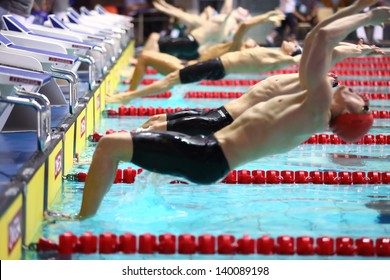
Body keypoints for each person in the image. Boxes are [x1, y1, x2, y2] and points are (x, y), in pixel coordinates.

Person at [47, 0, 388, 220]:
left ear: (349, 115)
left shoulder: (316, 107)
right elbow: (316, 38)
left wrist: (368, 15)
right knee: (125, 142)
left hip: (209, 156)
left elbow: (323, 38)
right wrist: (358, 7)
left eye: (363, 101)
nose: (357, 92)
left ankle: (81, 219)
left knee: (109, 146)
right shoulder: (313, 104)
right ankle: (117, 204)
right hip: (210, 152)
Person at [139, 41, 382, 136]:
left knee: (152, 131)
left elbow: (328, 49)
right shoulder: (317, 83)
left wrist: (358, 50)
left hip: (223, 120)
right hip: (220, 113)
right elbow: (327, 49)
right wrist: (361, 48)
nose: (359, 94)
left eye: (362, 103)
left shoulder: (319, 89)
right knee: (157, 120)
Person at [114, 10, 286, 92]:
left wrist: (265, 16)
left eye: (253, 43)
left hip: (187, 69)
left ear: (248, 47)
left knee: (145, 56)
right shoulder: (229, 44)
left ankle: (129, 93)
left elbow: (244, 26)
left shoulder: (235, 49)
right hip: (187, 66)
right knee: (148, 53)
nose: (252, 41)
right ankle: (130, 88)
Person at [107, 39, 302, 102]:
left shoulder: (280, 58)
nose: (291, 42)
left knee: (170, 80)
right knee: (171, 79)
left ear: (292, 52)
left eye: (294, 44)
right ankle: (129, 95)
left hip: (217, 66)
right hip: (216, 66)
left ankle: (126, 97)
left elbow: (304, 57)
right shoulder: (273, 53)